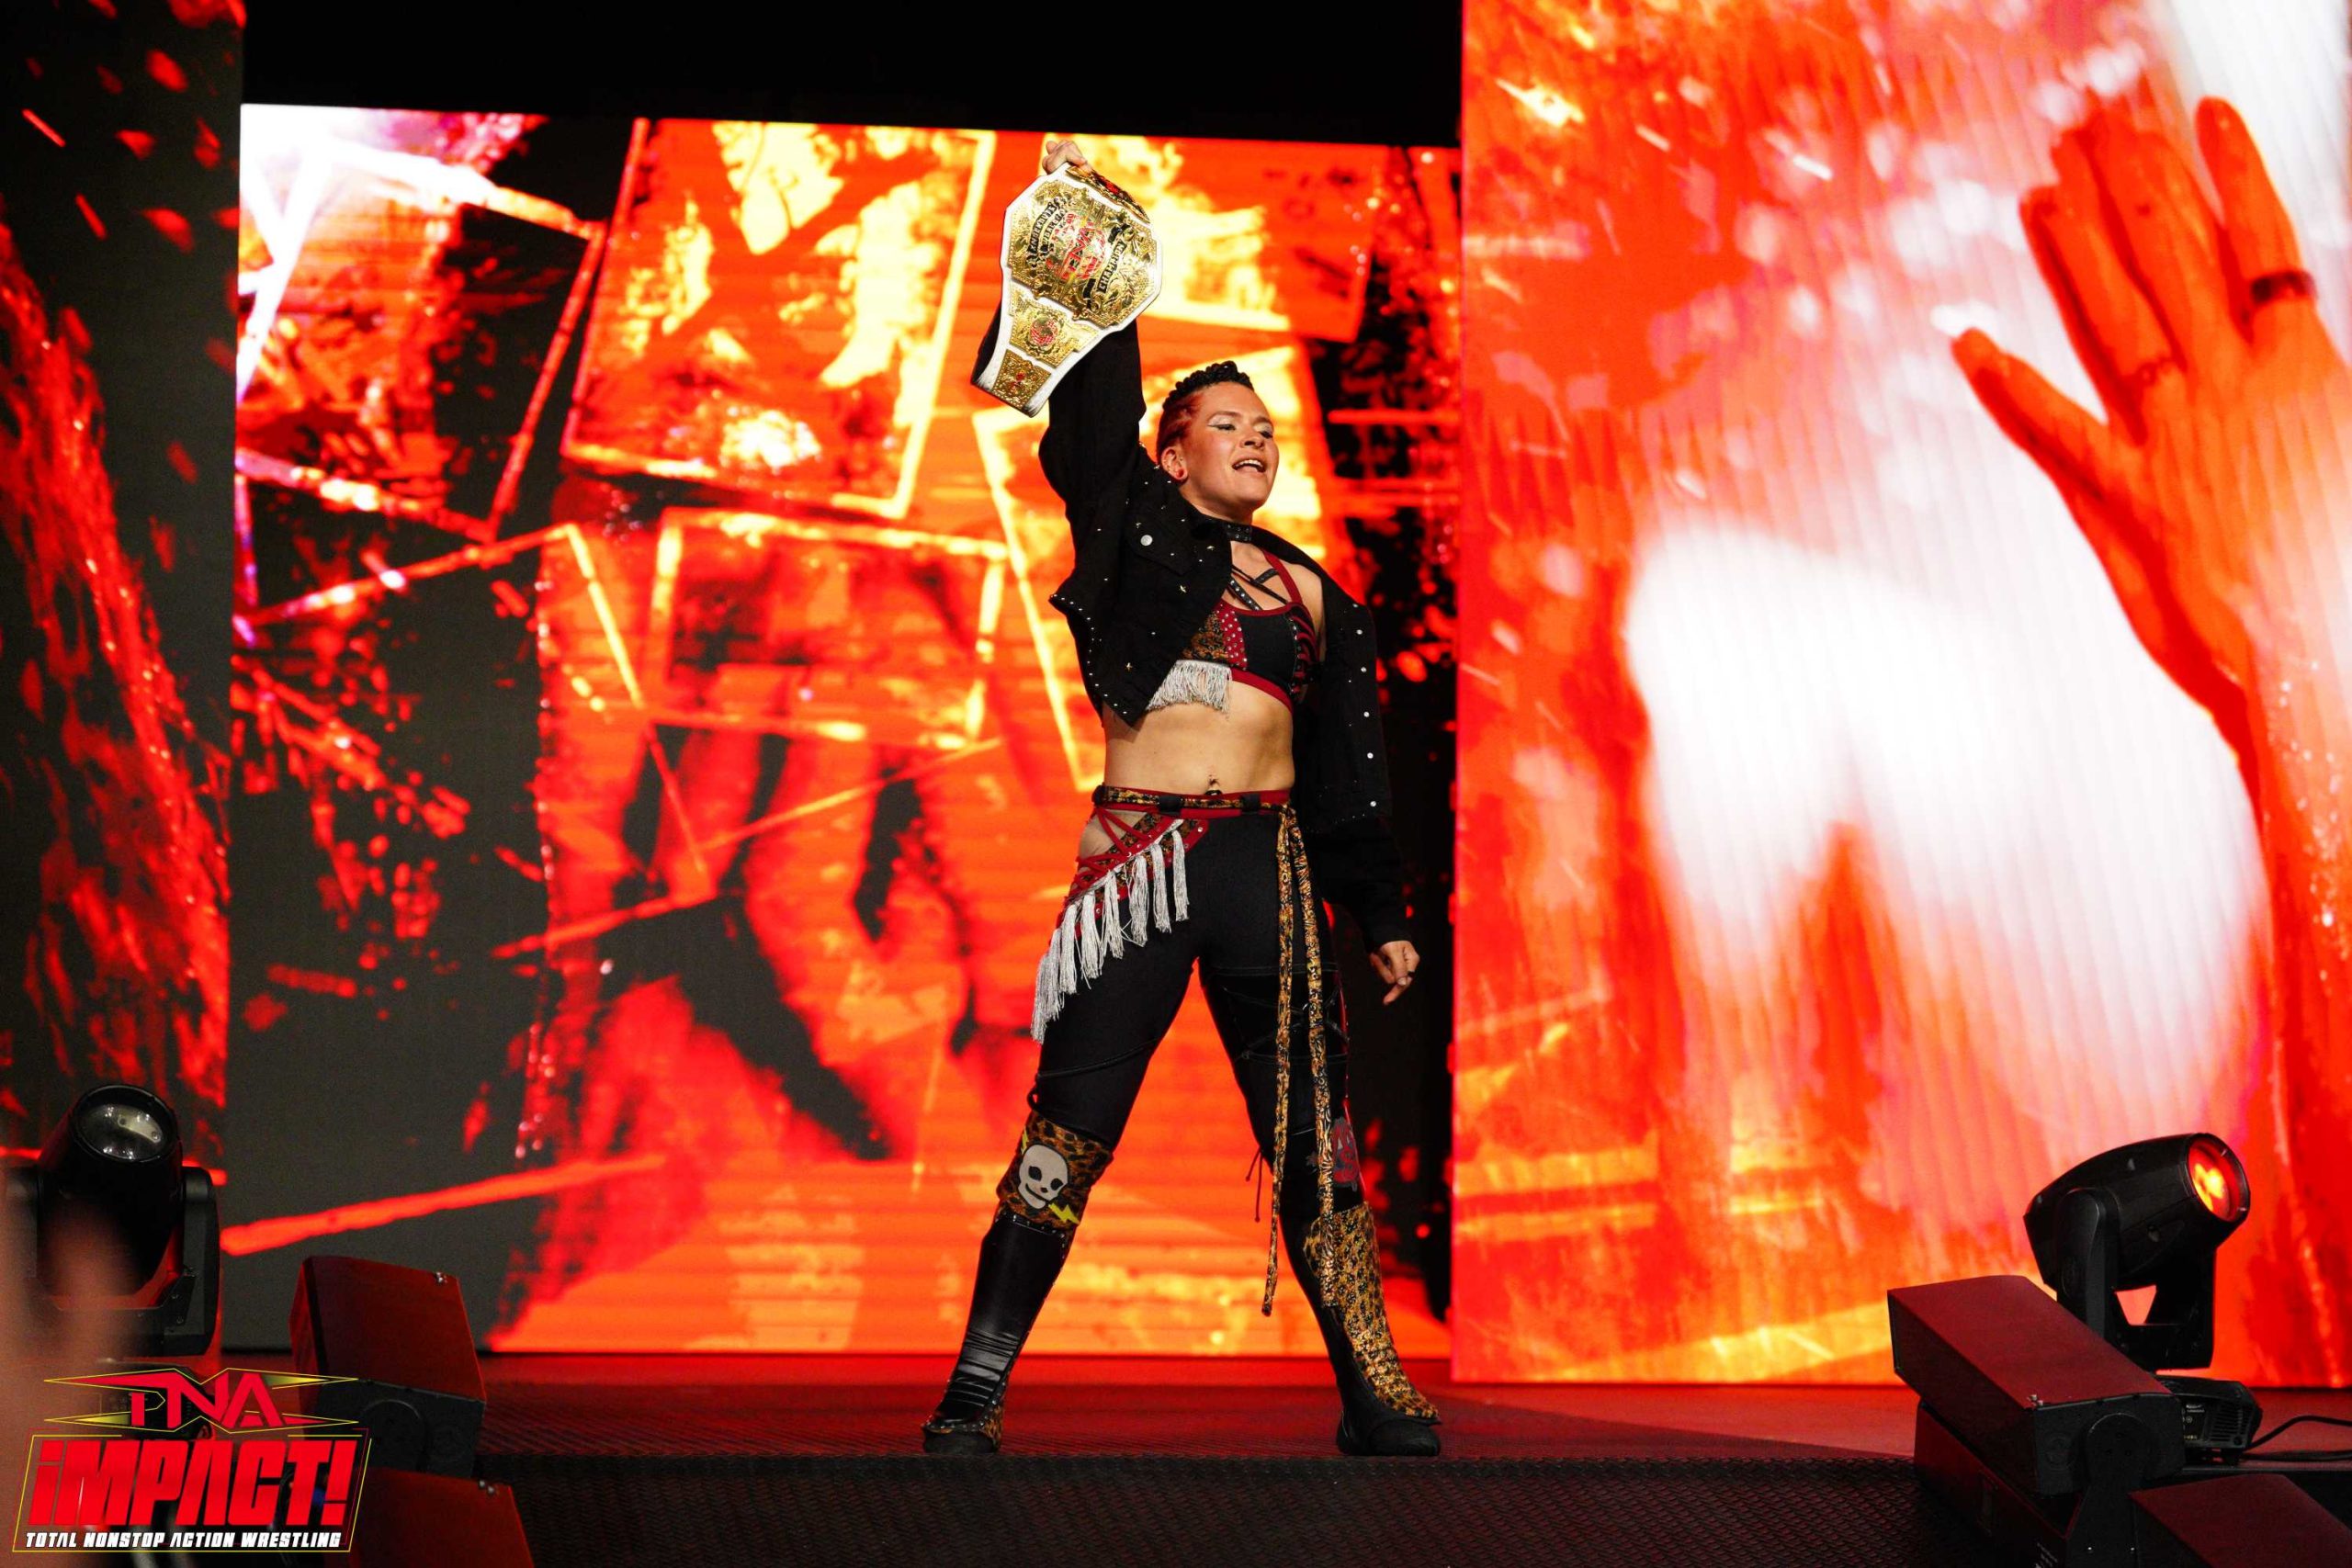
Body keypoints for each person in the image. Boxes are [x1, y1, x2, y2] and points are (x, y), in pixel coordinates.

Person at [922, 138, 1441, 1456]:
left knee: (1317, 1141)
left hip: (1267, 875)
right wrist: (1100, 251)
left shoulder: (1316, 594)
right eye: (1226, 424)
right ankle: (976, 1384)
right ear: (1169, 457)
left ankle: (1374, 1388)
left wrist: (1381, 912)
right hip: (1141, 871)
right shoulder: (1129, 534)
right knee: (1069, 1131)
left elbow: (1351, 780)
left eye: (1266, 429)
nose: (1257, 437)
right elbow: (1095, 421)